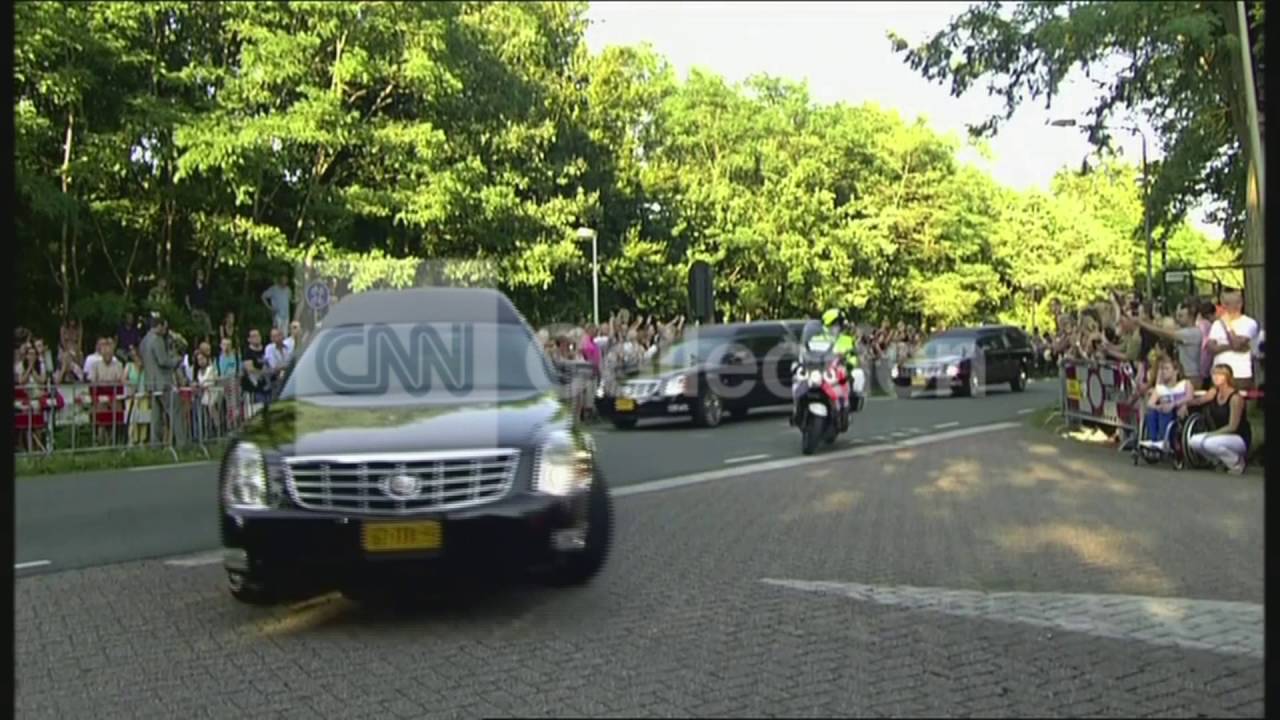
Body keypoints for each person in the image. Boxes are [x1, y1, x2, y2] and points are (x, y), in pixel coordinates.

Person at [1183, 364, 1252, 474]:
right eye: (1214, 374)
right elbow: (1199, 401)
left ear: (1227, 377)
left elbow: (1233, 426)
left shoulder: (1235, 398)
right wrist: (1184, 405)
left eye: (1219, 375)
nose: (1215, 377)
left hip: (1238, 437)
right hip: (1220, 435)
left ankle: (1236, 462)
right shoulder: (1214, 392)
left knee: (1208, 443)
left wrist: (1213, 434)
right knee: (1193, 441)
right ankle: (1218, 462)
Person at [1138, 354, 1194, 451]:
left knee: (1166, 408)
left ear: (1176, 371)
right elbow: (1150, 404)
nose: (1163, 372)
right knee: (1152, 411)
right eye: (1162, 369)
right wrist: (1158, 407)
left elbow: (1189, 397)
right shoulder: (1160, 388)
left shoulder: (1185, 383)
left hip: (1178, 414)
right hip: (1163, 411)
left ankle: (1163, 441)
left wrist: (1174, 404)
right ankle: (1153, 440)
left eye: (1167, 369)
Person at [139, 316, 180, 447]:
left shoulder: (144, 340)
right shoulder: (157, 340)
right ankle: (182, 443)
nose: (165, 330)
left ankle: (155, 444)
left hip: (150, 382)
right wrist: (175, 360)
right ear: (159, 326)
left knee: (156, 416)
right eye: (164, 327)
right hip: (163, 382)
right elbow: (162, 361)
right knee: (175, 411)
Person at [1206, 290, 1259, 390]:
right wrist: (1230, 347)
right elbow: (1210, 348)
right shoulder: (1217, 324)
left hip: (1240, 375)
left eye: (1227, 304)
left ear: (1239, 304)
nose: (1223, 307)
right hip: (1218, 375)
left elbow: (1237, 344)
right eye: (1222, 304)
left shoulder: (1249, 323)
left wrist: (1228, 325)